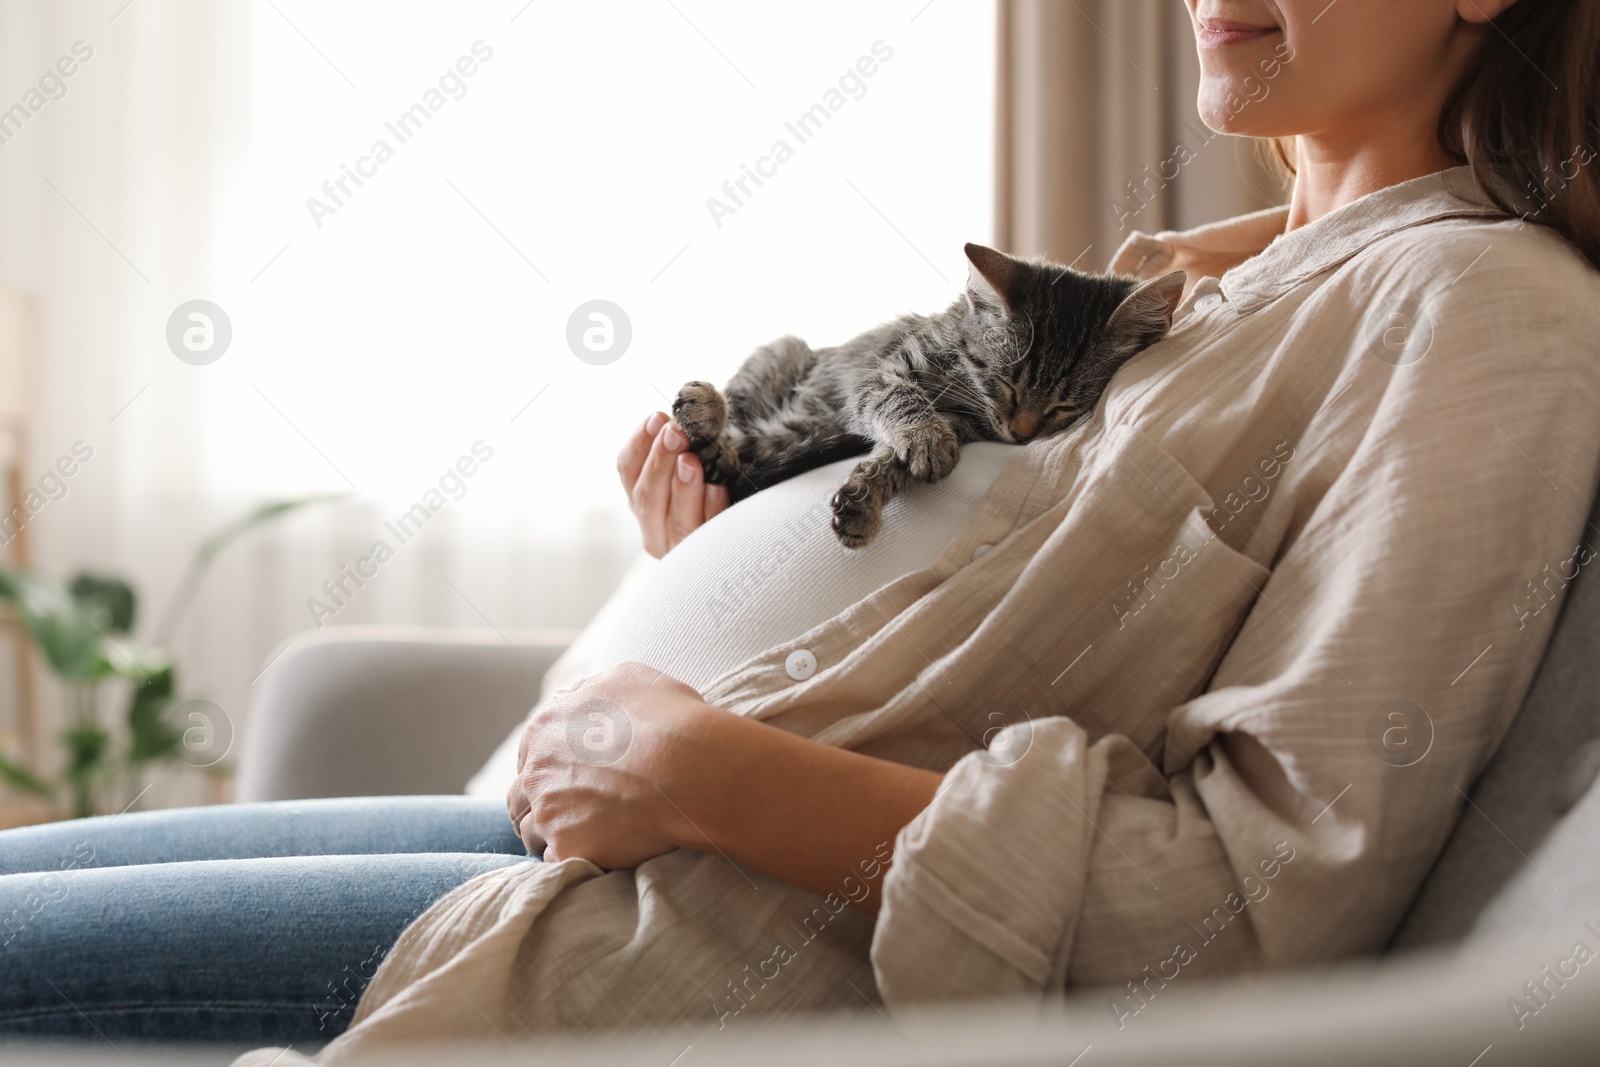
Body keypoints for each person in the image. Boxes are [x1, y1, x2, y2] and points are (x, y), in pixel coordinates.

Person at [6, 0, 1600, 1056]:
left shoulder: (1481, 316)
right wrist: (718, 568)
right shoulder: (1209, 287)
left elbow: (1240, 910)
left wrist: (707, 771)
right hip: (594, 840)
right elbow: (1005, 650)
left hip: (707, 933)